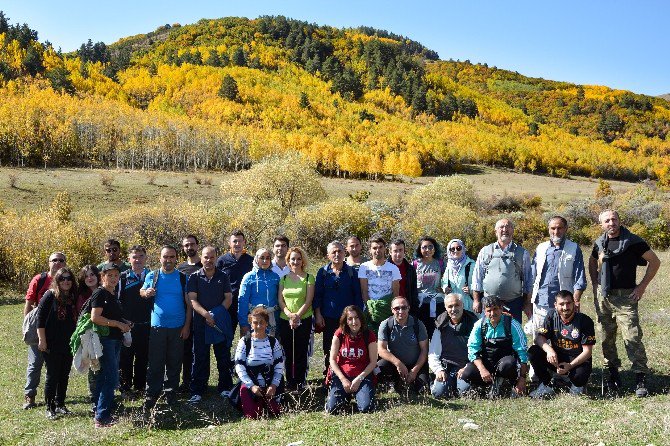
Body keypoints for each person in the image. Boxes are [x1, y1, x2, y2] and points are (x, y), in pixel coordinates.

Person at [589, 209, 660, 397]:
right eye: (607, 221)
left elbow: (655, 261)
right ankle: (612, 374)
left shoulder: (633, 241)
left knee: (632, 337)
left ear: (619, 221)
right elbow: (593, 261)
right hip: (604, 297)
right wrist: (595, 283)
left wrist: (642, 286)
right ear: (601, 224)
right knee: (606, 337)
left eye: (614, 219)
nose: (611, 223)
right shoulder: (599, 243)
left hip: (626, 297)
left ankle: (640, 378)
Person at [141, 245, 192, 408]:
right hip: (157, 327)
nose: (168, 260)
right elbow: (142, 291)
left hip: (178, 326)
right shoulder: (153, 275)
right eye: (165, 257)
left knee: (174, 361)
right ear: (160, 258)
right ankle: (152, 394)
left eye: (171, 257)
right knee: (155, 362)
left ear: (176, 258)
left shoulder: (183, 278)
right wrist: (146, 292)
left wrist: (187, 326)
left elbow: (189, 305)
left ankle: (171, 393)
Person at [187, 246, 233, 403]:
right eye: (206, 257)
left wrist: (215, 314)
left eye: (212, 257)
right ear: (201, 258)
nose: (209, 260)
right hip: (200, 322)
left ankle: (225, 387)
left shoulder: (223, 276)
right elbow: (192, 300)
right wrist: (206, 314)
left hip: (218, 322)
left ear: (216, 258)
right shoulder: (194, 277)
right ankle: (198, 390)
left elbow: (228, 298)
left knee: (223, 356)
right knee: (200, 356)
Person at [529, 290, 595, 398]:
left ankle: (576, 385)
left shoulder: (585, 321)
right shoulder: (551, 316)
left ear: (574, 303)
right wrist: (549, 350)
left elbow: (587, 352)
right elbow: (539, 338)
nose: (565, 307)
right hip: (557, 357)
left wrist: (570, 366)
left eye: (568, 303)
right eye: (561, 304)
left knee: (580, 376)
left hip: (577, 359)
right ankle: (546, 384)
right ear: (555, 305)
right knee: (533, 352)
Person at [90, 263, 132, 428]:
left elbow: (112, 315)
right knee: (111, 378)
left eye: (116, 275)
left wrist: (125, 322)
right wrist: (117, 324)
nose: (113, 278)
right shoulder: (100, 293)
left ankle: (100, 409)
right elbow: (95, 317)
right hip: (105, 340)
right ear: (102, 277)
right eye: (110, 275)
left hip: (115, 340)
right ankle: (102, 417)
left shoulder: (112, 294)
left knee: (103, 376)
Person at [23, 251, 67, 410]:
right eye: (54, 260)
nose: (58, 263)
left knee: (55, 365)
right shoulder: (40, 279)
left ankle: (54, 396)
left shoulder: (66, 280)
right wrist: (27, 325)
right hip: (39, 327)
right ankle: (30, 395)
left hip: (57, 330)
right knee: (35, 363)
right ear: (49, 263)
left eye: (61, 260)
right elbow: (29, 302)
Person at [460, 296, 529, 397]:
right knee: (467, 373)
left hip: (505, 364)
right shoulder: (479, 325)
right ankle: (486, 385)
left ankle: (503, 383)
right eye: (489, 310)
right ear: (484, 311)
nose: (493, 313)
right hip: (486, 364)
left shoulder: (512, 324)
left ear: (501, 308)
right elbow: (472, 350)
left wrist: (522, 378)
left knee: (509, 364)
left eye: (495, 309)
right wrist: (482, 369)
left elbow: (522, 351)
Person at [530, 216, 586, 340]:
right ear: (548, 229)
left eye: (560, 228)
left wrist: (575, 300)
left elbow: (580, 277)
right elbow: (532, 276)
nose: (556, 232)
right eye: (553, 228)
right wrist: (528, 300)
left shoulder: (574, 248)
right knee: (540, 339)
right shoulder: (541, 248)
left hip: (564, 305)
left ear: (566, 229)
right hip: (541, 303)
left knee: (564, 340)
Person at [314, 241, 363, 372]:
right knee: (329, 347)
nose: (337, 254)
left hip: (348, 318)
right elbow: (317, 295)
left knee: (348, 347)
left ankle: (348, 372)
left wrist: (358, 317)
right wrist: (318, 315)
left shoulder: (352, 272)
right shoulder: (322, 273)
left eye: (339, 251)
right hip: (328, 317)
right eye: (333, 252)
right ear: (328, 255)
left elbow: (357, 295)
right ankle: (329, 375)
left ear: (344, 253)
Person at [36, 267, 78, 419]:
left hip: (68, 342)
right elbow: (40, 320)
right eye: (62, 279)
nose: (66, 281)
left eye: (69, 278)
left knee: (64, 374)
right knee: (52, 375)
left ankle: (60, 404)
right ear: (57, 281)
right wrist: (42, 340)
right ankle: (50, 406)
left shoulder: (73, 296)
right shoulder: (50, 295)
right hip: (51, 343)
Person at [472, 218, 533, 323]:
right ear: (496, 232)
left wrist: (527, 303)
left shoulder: (522, 253)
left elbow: (528, 280)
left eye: (508, 226)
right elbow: (477, 277)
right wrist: (476, 300)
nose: (505, 229)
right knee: (490, 334)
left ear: (512, 230)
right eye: (501, 227)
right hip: (489, 303)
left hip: (513, 303)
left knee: (512, 334)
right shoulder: (485, 251)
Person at [234, 306, 285, 419]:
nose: (258, 326)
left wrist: (273, 385)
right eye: (255, 323)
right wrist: (251, 386)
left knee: (275, 412)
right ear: (251, 324)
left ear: (267, 323)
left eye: (261, 322)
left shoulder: (273, 341)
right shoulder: (245, 341)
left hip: (269, 382)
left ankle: (266, 402)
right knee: (253, 415)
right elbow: (239, 366)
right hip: (251, 383)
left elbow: (279, 365)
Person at [326, 305, 378, 414]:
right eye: (350, 319)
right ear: (346, 321)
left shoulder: (369, 334)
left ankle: (359, 396)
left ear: (361, 318)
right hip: (342, 375)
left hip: (362, 375)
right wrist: (343, 379)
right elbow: (332, 360)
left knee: (366, 408)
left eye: (357, 317)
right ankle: (346, 396)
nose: (354, 322)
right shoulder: (339, 334)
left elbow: (373, 362)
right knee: (332, 409)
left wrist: (359, 379)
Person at [428, 293, 478, 398]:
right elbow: (433, 353)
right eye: (450, 306)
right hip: (446, 367)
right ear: (445, 308)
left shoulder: (474, 323)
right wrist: (439, 370)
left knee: (465, 393)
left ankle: (460, 385)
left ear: (463, 305)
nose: (453, 309)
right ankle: (439, 383)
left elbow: (479, 351)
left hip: (466, 366)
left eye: (457, 305)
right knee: (439, 393)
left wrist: (468, 367)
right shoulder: (440, 325)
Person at [278, 247, 315, 390]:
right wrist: (289, 315)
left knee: (300, 351)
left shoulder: (308, 278)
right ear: (288, 261)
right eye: (292, 259)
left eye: (299, 259)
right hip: (285, 319)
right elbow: (280, 300)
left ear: (303, 260)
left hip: (304, 319)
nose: (296, 261)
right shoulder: (284, 279)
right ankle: (290, 382)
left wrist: (297, 316)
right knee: (287, 352)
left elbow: (308, 300)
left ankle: (300, 382)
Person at [377, 297, 429, 393]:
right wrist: (398, 363)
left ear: (408, 308)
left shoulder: (418, 324)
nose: (401, 311)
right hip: (395, 364)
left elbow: (424, 350)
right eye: (397, 308)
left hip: (416, 364)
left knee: (423, 391)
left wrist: (414, 371)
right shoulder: (385, 324)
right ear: (392, 310)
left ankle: (409, 381)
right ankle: (391, 382)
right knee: (378, 369)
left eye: (404, 308)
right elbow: (381, 350)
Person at [118, 245, 151, 397]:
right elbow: (117, 301)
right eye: (134, 257)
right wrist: (122, 321)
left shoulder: (152, 276)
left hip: (147, 324)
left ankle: (140, 386)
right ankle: (125, 387)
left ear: (145, 258)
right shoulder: (122, 277)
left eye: (140, 256)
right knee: (125, 357)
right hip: (127, 325)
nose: (137, 260)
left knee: (143, 356)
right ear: (129, 259)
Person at [176, 234, 203, 394]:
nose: (189, 247)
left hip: (201, 314)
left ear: (197, 246)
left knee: (199, 350)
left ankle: (199, 381)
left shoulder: (204, 265)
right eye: (186, 245)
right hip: (184, 314)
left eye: (192, 244)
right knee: (185, 351)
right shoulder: (180, 269)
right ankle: (186, 382)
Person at [216, 230, 254, 337]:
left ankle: (246, 354)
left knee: (247, 336)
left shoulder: (251, 261)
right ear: (230, 243)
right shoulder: (222, 261)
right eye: (234, 241)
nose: (237, 244)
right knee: (226, 336)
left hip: (246, 304)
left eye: (240, 241)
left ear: (244, 242)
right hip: (228, 304)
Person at [358, 236, 401, 331]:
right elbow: (364, 291)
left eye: (380, 247)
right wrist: (371, 309)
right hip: (370, 310)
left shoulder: (393, 269)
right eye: (374, 248)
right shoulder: (364, 267)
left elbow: (395, 293)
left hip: (387, 309)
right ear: (370, 250)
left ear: (385, 248)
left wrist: (391, 309)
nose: (378, 250)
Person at [238, 248, 281, 336]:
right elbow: (243, 301)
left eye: (268, 258)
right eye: (262, 258)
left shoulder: (275, 277)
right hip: (255, 320)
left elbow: (280, 299)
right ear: (256, 259)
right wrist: (243, 324)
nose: (265, 261)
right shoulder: (249, 277)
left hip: (273, 320)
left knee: (272, 346)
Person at [412, 236, 446, 339]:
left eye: (430, 247)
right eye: (424, 247)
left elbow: (446, 280)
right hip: (421, 304)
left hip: (438, 302)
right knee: (423, 333)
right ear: (420, 249)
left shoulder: (440, 263)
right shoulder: (415, 264)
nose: (427, 250)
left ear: (435, 248)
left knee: (438, 331)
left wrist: (444, 289)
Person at [441, 239, 476, 313]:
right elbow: (443, 282)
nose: (455, 251)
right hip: (453, 307)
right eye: (452, 249)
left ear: (463, 249)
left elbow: (481, 283)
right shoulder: (448, 266)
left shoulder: (472, 265)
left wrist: (471, 289)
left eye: (458, 248)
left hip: (468, 306)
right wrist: (445, 288)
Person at [388, 239, 418, 315]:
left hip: (406, 308)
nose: (398, 253)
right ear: (390, 252)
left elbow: (413, 290)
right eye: (395, 251)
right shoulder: (384, 268)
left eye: (400, 250)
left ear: (404, 251)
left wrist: (413, 307)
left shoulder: (410, 269)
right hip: (389, 308)